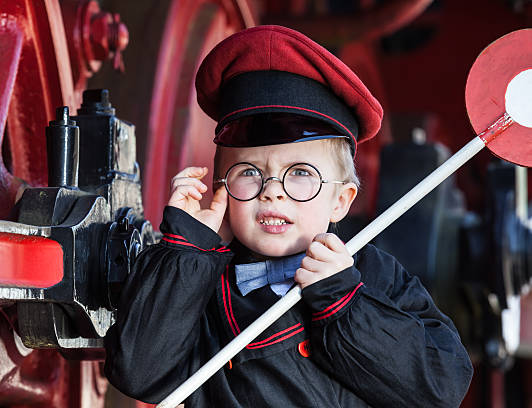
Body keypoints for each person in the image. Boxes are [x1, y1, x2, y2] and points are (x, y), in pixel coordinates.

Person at [104, 25, 473, 407]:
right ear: (219, 188)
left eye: (301, 173)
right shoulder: (198, 281)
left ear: (341, 201)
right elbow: (138, 373)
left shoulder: (373, 275)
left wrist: (343, 303)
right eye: (248, 172)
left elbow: (440, 388)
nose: (272, 190)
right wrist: (186, 251)